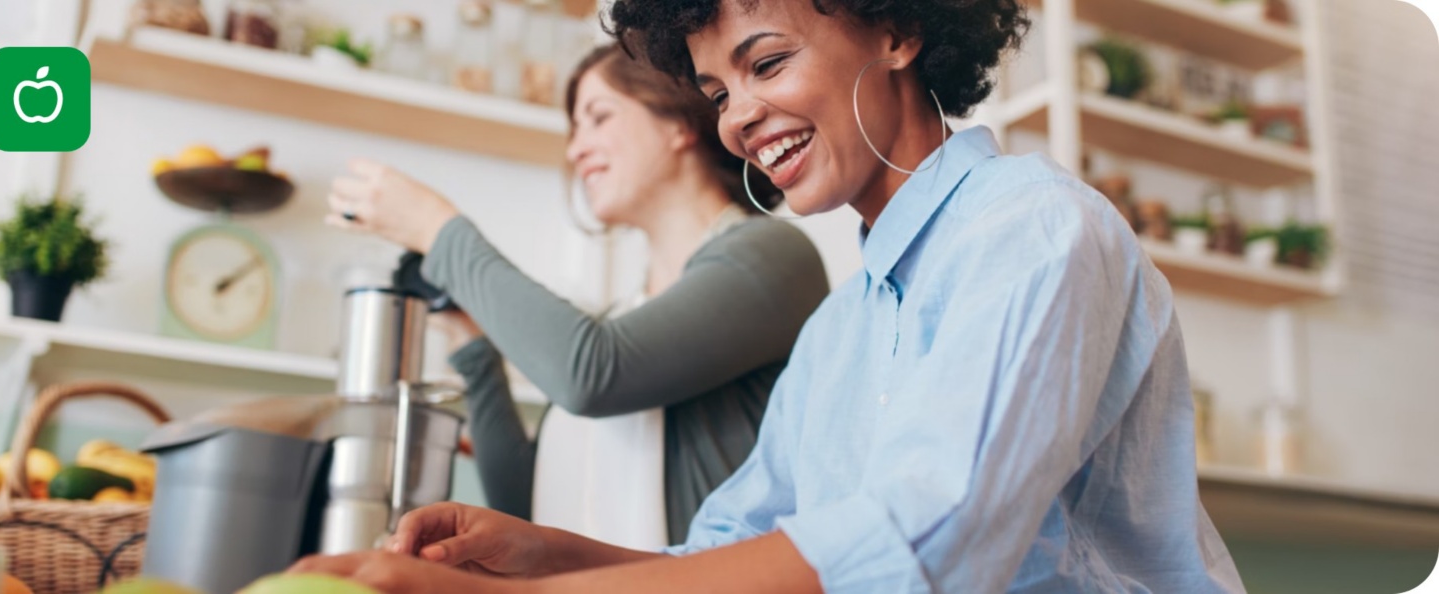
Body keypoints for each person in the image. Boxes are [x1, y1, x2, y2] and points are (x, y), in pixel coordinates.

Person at [297, 0, 1248, 592]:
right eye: (717, 91)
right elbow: (729, 558)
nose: (740, 116)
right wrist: (544, 553)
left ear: (899, 27)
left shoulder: (1035, 229)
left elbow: (926, 546)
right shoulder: (839, 326)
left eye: (766, 62)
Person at [324, 44, 830, 549]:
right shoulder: (619, 321)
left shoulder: (768, 254)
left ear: (678, 121)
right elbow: (527, 512)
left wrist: (437, 230)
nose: (575, 150)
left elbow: (591, 373)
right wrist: (473, 345)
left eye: (598, 118)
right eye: (575, 130)